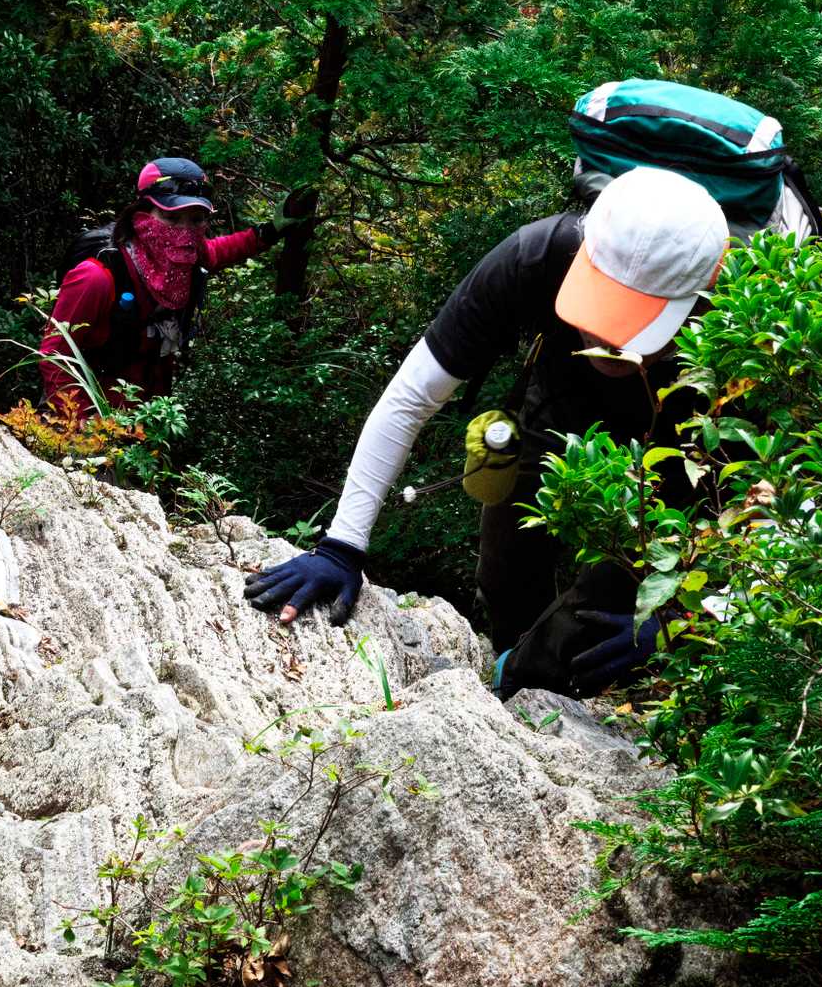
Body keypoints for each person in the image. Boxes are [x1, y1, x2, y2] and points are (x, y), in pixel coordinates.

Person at [246, 165, 751, 698]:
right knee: (504, 571)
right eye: (601, 307)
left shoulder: (750, 323)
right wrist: (341, 546)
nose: (603, 338)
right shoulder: (538, 256)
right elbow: (411, 396)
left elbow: (788, 502)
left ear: (700, 294)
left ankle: (531, 685)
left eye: (634, 321)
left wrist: (694, 614)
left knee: (594, 619)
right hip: (556, 415)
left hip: (685, 460)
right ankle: (508, 664)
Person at [40, 157, 303, 416]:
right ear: (142, 215)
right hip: (94, 416)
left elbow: (217, 251)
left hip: (153, 414)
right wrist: (81, 423)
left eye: (196, 220)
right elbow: (55, 355)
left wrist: (268, 232)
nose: (184, 232)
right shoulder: (96, 277)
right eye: (171, 217)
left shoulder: (185, 260)